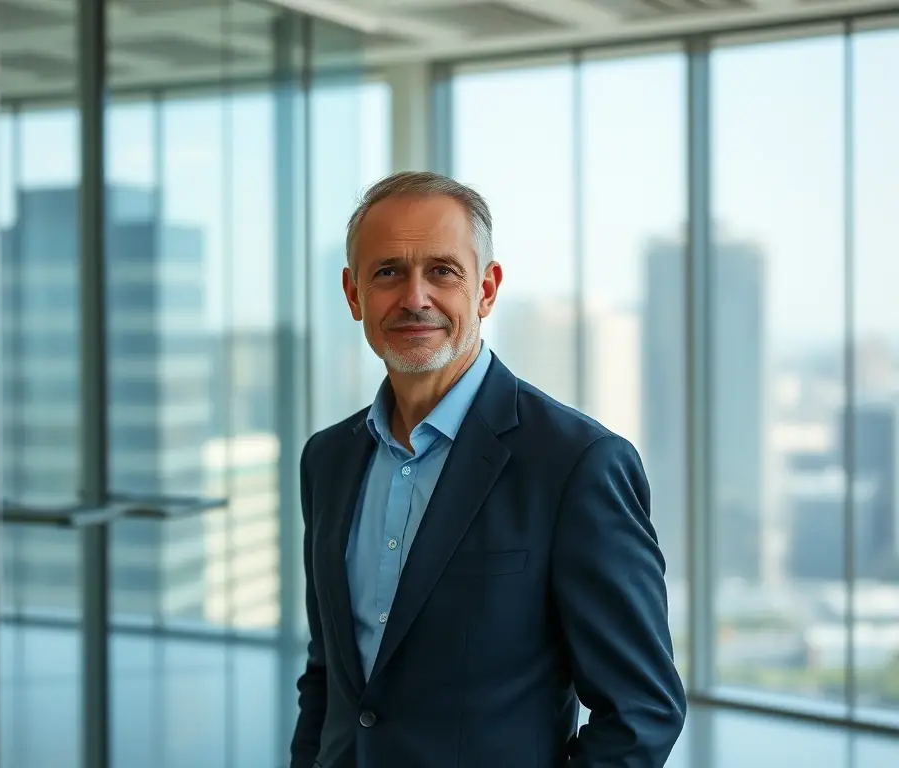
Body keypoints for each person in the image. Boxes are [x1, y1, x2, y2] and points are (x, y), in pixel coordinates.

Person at [290, 171, 686, 768]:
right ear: (353, 294)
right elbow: (329, 677)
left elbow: (642, 713)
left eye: (443, 271)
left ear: (487, 289)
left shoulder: (577, 465)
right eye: (388, 272)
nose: (415, 297)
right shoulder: (328, 459)